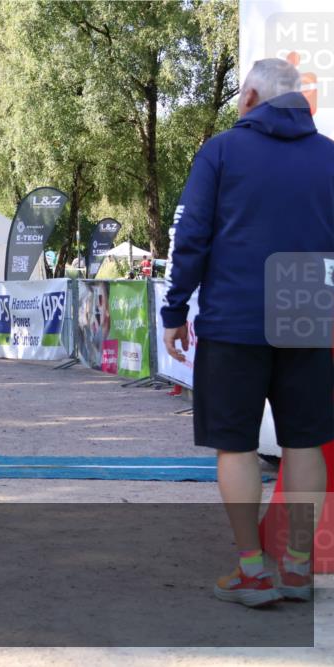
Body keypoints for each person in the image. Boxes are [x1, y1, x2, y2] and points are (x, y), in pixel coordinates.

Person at [162, 59, 333, 608]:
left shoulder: (221, 150)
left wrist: (173, 309)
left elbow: (190, 235)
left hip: (235, 314)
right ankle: (300, 569)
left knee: (234, 445)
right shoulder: (330, 156)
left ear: (252, 97)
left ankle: (254, 572)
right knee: (304, 441)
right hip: (307, 308)